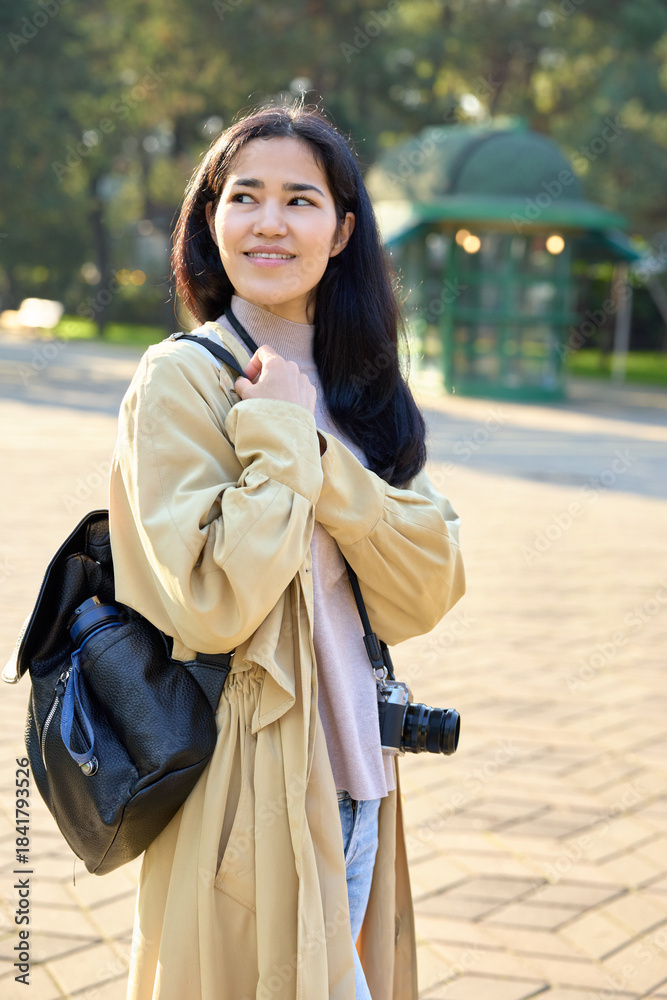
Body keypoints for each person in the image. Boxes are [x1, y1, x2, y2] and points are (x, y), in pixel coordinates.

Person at [108, 99, 465, 1000]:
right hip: (244, 787)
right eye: (244, 196)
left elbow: (426, 586)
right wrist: (279, 430)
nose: (270, 221)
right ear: (211, 218)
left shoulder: (366, 389)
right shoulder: (182, 378)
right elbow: (212, 599)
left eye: (300, 200)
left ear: (342, 232)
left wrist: (313, 451)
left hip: (360, 781)